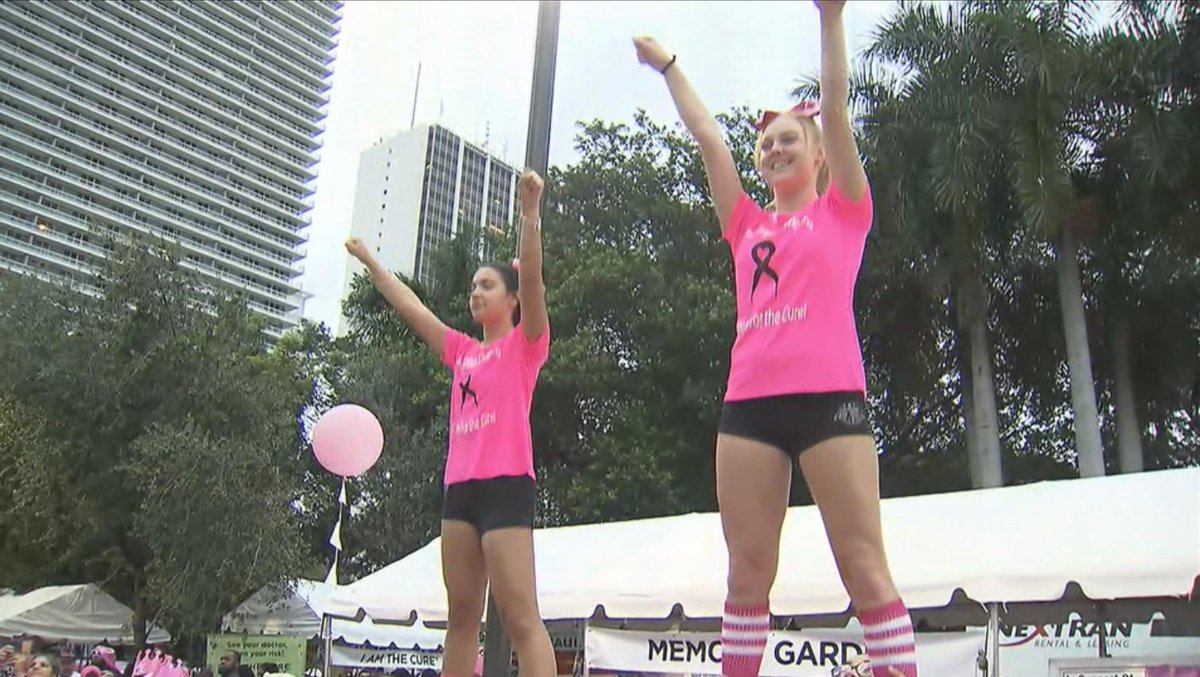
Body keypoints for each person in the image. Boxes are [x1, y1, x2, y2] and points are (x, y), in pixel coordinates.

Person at [633, 3, 918, 677]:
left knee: (864, 567)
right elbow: (708, 137)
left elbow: (840, 111)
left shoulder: (844, 210)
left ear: (820, 153)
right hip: (749, 409)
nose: (775, 148)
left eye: (790, 138)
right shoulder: (744, 224)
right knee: (746, 579)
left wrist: (831, 18)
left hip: (831, 402)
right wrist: (669, 67)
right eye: (767, 143)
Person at [345, 170, 556, 677]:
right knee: (461, 617)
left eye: (487, 285)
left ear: (511, 300)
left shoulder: (525, 346)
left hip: (506, 486)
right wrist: (371, 261)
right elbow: (411, 307)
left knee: (520, 615)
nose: (476, 293)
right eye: (472, 287)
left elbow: (532, 277)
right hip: (459, 491)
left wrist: (530, 215)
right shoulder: (461, 351)